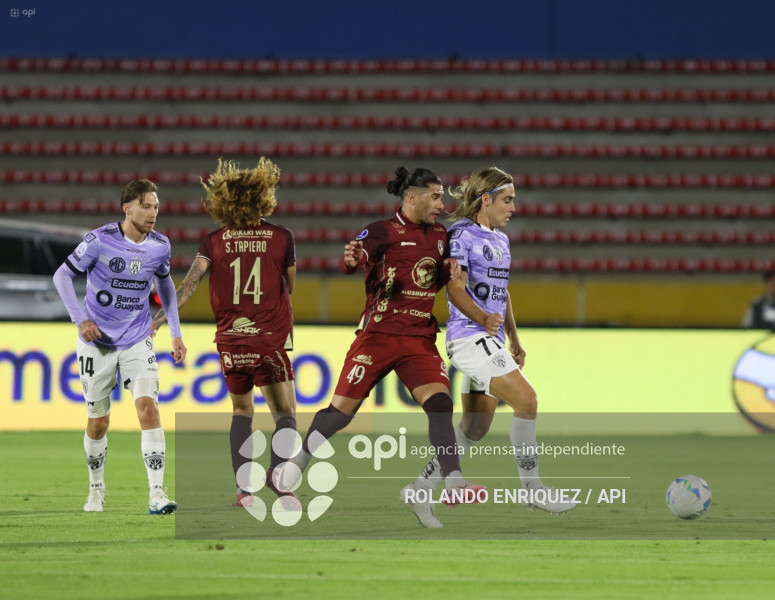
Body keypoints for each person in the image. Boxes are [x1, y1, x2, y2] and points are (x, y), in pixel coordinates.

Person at [272, 166, 484, 528]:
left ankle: (453, 479)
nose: (441, 203)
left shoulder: (440, 236)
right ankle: (299, 461)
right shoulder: (381, 230)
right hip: (378, 335)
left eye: (442, 196)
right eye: (435, 196)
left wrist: (451, 269)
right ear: (412, 197)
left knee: (440, 404)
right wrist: (352, 260)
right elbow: (350, 261)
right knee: (340, 414)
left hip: (418, 337)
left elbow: (444, 275)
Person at [409, 166, 578, 514]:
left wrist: (513, 338)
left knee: (474, 428)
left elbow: (503, 293)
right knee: (527, 401)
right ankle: (533, 490)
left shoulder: (501, 240)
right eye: (508, 200)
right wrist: (484, 319)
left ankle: (421, 486)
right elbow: (454, 290)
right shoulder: (462, 235)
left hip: (491, 340)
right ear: (486, 200)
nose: (513, 208)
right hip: (469, 339)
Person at [152, 157, 299, 509]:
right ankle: (279, 478)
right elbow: (290, 287)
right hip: (269, 337)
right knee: (286, 413)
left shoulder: (213, 241)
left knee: (241, 411)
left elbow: (188, 284)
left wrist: (159, 320)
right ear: (264, 198)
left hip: (230, 340)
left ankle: (244, 491)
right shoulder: (282, 237)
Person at [52, 179, 186, 514]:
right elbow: (62, 277)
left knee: (149, 408)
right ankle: (96, 489)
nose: (153, 213)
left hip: (138, 338)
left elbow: (166, 285)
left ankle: (157, 493)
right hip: (97, 343)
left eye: (156, 206)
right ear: (127, 208)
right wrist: (80, 319)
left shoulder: (159, 246)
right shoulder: (100, 241)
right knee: (98, 421)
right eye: (146, 206)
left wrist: (175, 332)